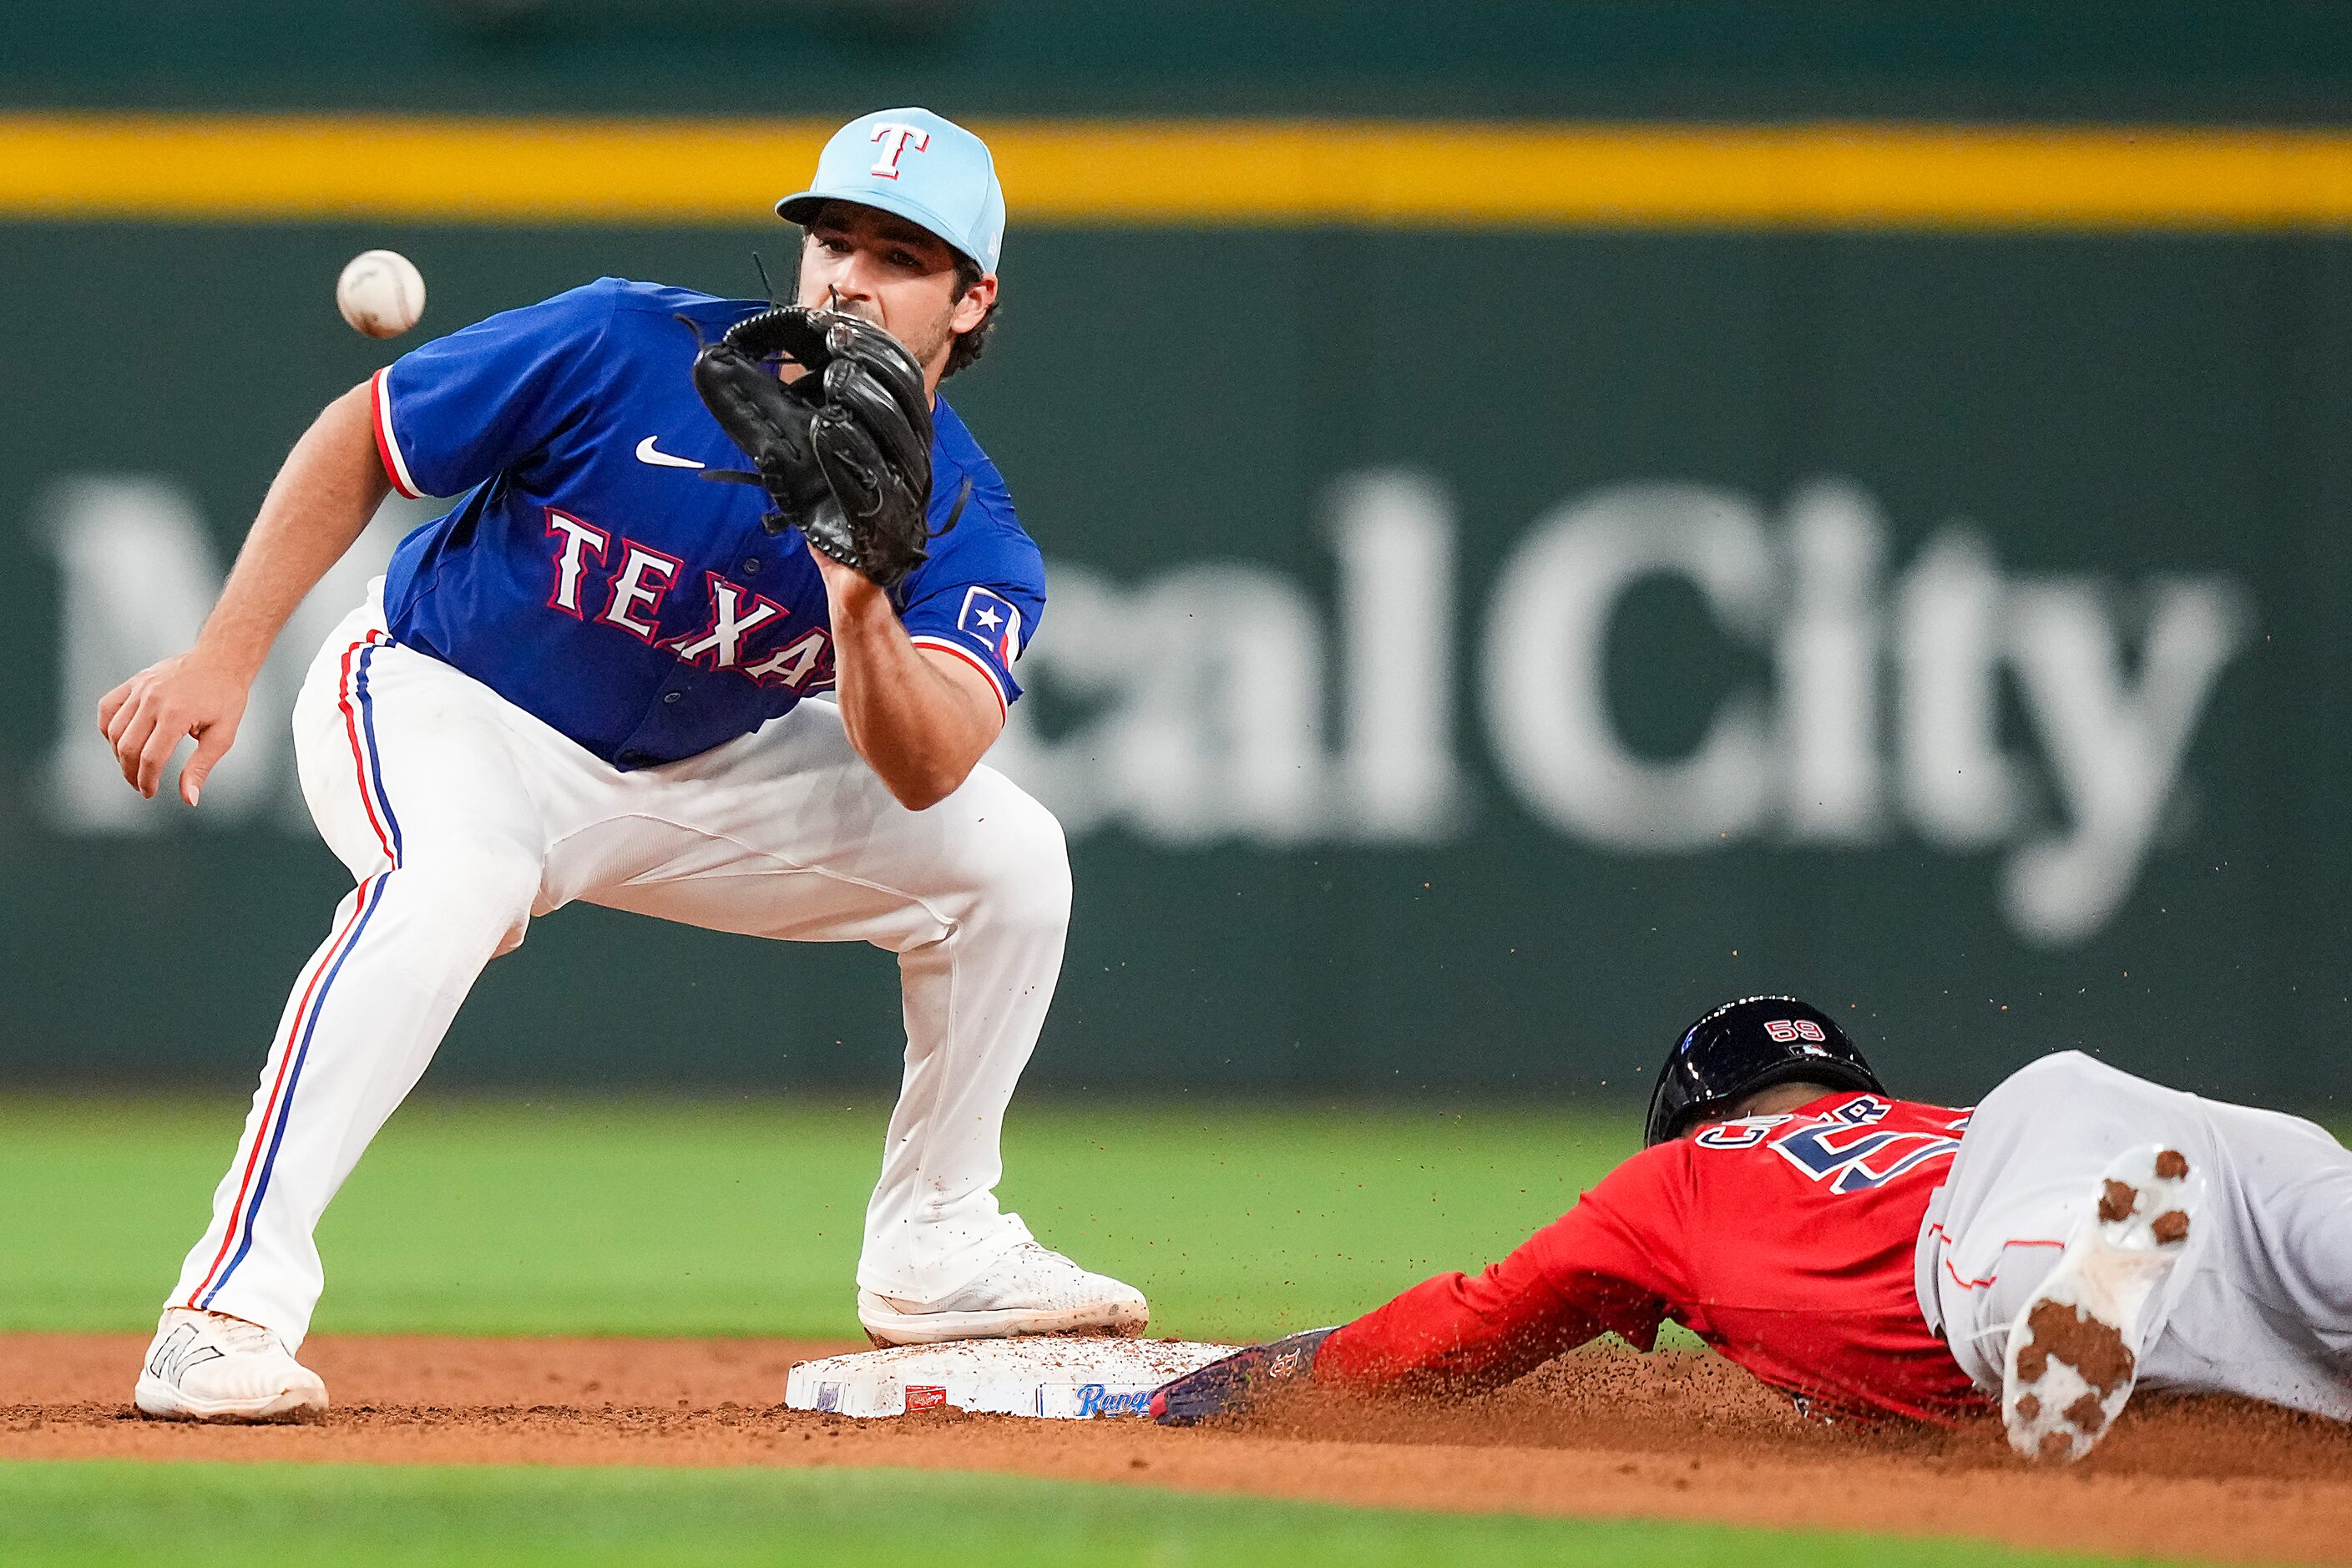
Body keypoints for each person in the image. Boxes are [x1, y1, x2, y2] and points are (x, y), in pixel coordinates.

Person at [106, 107, 1147, 1424]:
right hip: (444, 698)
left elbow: (927, 762)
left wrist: (857, 595)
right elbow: (364, 434)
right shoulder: (625, 341)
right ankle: (221, 1311)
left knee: (1008, 860)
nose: (846, 279)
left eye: (897, 255)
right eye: (833, 240)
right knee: (451, 881)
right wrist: (222, 652)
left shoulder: (965, 525)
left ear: (971, 298)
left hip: (690, 772)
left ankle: (936, 1239)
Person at [1152, 996, 2352, 1462]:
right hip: (2185, 1139)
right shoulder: (1923, 1119)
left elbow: (1473, 1323)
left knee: (1990, 1282)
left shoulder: (1679, 1180)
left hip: (2026, 1206)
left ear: (1686, 1115)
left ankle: (2066, 1294)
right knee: (2314, 1258)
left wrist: (1300, 1368)